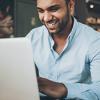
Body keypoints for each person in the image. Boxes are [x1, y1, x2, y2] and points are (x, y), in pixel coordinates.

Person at [26, 0, 100, 99]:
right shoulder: (32, 37)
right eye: (41, 11)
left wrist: (60, 89)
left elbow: (98, 91)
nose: (46, 18)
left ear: (70, 6)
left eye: (54, 9)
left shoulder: (95, 41)